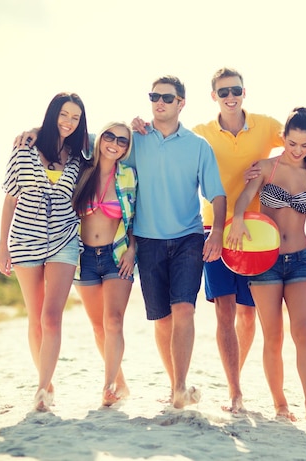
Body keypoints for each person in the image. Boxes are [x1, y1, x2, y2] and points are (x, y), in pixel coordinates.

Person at [132, 67, 283, 413]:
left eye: (236, 90)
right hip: (182, 236)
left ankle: (227, 385)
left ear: (244, 92)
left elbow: (301, 144)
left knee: (234, 315)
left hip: (244, 234)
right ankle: (199, 388)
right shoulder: (165, 136)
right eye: (154, 97)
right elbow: (100, 147)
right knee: (177, 317)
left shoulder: (257, 127)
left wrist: (268, 163)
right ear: (212, 96)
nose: (230, 96)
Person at [126, 75, 226, 409]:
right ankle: (175, 386)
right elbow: (99, 151)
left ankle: (181, 386)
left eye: (167, 98)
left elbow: (217, 194)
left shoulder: (198, 145)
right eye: (155, 96)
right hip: (147, 240)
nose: (159, 102)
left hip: (188, 237)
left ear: (181, 103)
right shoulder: (135, 140)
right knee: (162, 319)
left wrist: (217, 233)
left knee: (184, 308)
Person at [226, 107, 306, 422]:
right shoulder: (266, 168)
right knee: (273, 335)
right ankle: (281, 404)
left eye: (305, 145)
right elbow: (245, 197)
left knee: (304, 333)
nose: (298, 151)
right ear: (283, 138)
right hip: (265, 260)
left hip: (299, 261)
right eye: (293, 143)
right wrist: (239, 218)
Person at [0, 92, 88, 412]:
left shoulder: (79, 156)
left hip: (64, 240)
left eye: (75, 117)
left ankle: (40, 389)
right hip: (24, 240)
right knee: (34, 318)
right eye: (64, 115)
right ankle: (47, 383)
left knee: (51, 317)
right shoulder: (24, 149)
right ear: (52, 115)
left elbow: (107, 140)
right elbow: (10, 198)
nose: (69, 122)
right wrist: (2, 246)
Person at [72, 121, 137, 407]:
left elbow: (138, 218)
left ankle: (108, 385)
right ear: (100, 139)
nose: (115, 143)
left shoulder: (129, 176)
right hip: (83, 257)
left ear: (126, 149)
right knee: (98, 327)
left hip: (116, 255)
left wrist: (132, 250)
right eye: (110, 136)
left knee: (113, 321)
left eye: (122, 141)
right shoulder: (81, 172)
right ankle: (119, 381)